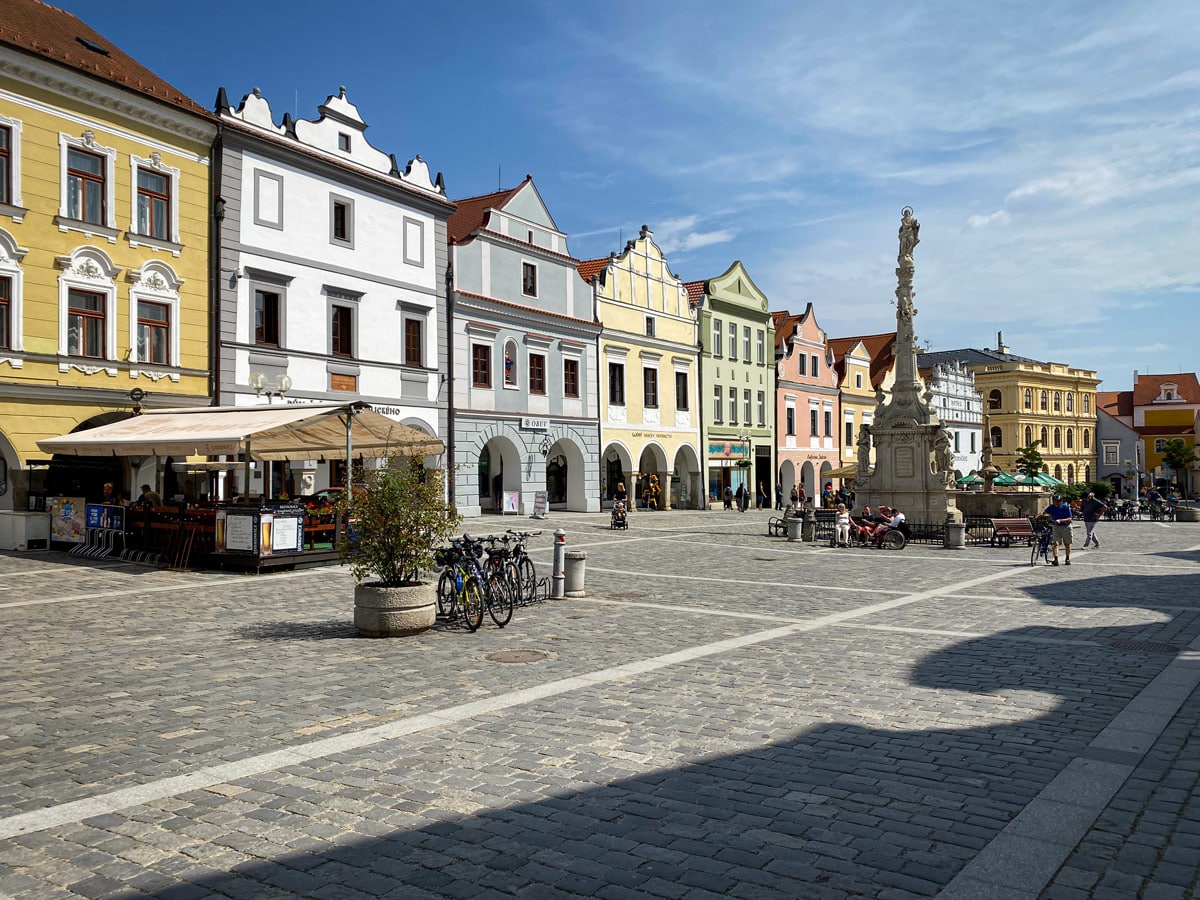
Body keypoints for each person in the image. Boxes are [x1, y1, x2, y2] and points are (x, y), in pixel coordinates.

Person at [1043, 494, 1074, 566]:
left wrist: (1061, 520)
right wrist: (1040, 515)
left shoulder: (1065, 507)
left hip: (1066, 526)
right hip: (1056, 527)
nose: (1056, 502)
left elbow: (1070, 518)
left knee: (1067, 543)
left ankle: (1067, 558)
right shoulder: (1052, 507)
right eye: (1055, 501)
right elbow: (1045, 512)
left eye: (1058, 501)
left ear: (1060, 501)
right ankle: (1056, 559)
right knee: (1055, 543)